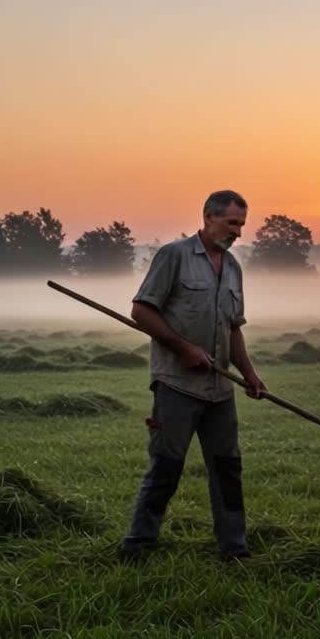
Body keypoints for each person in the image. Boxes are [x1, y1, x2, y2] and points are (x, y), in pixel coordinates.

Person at [119, 189, 267, 562]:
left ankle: (234, 550)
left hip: (220, 390)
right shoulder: (174, 256)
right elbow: (142, 311)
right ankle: (137, 546)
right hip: (177, 385)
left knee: (227, 468)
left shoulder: (232, 268)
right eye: (231, 222)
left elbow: (233, 328)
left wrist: (249, 374)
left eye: (241, 225)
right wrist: (183, 348)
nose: (237, 232)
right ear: (208, 216)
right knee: (167, 466)